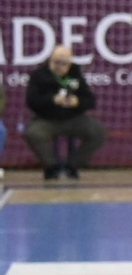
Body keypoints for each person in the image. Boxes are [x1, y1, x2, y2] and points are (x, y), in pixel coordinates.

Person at [24, 44, 106, 180]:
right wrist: (52, 100)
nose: (60, 66)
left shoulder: (75, 73)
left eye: (64, 63)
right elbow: (31, 101)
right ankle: (51, 167)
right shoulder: (39, 75)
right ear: (50, 60)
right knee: (33, 133)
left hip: (73, 118)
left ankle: (73, 165)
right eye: (56, 62)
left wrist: (77, 102)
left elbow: (90, 100)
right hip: (46, 119)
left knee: (98, 132)